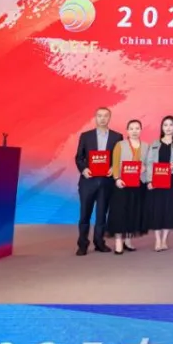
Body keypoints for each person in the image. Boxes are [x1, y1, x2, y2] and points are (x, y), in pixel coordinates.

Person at [73, 107, 122, 255]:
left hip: (106, 182)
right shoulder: (86, 136)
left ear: (109, 118)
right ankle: (82, 244)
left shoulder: (117, 137)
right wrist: (83, 169)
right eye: (99, 116)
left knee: (101, 215)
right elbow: (79, 157)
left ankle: (99, 242)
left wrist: (113, 168)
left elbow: (119, 158)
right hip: (88, 181)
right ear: (95, 117)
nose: (102, 118)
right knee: (84, 215)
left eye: (106, 116)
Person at [143, 116, 173, 252]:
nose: (168, 128)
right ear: (162, 127)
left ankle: (164, 239)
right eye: (165, 125)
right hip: (157, 180)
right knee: (157, 209)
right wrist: (149, 180)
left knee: (169, 209)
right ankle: (157, 240)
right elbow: (149, 163)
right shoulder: (155, 144)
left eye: (171, 125)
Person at [108, 119, 146, 255]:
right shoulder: (120, 145)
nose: (134, 131)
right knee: (119, 212)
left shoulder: (146, 146)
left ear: (141, 130)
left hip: (138, 184)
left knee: (133, 212)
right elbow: (115, 163)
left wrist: (145, 168)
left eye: (137, 128)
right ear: (127, 131)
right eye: (131, 128)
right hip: (122, 184)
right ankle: (118, 241)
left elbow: (149, 164)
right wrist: (117, 178)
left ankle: (128, 240)